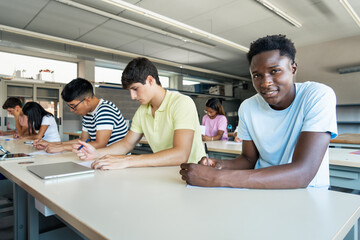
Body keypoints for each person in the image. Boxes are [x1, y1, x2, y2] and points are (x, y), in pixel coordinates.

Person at [180, 34, 337, 189]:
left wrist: (217, 178)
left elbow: (302, 173)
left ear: (293, 68)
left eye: (274, 71)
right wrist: (219, 165)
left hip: (308, 194)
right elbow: (248, 160)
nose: (266, 83)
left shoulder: (317, 95)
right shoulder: (248, 107)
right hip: (261, 189)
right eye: (257, 75)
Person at [74, 57, 205, 170]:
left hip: (194, 176)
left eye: (135, 89)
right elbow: (126, 144)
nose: (132, 96)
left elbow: (181, 154)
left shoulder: (181, 103)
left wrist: (127, 161)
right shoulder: (143, 111)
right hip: (164, 172)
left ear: (150, 80)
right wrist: (96, 153)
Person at [33, 78, 128, 152]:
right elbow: (83, 140)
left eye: (73, 106)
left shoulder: (105, 111)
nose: (71, 110)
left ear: (87, 100)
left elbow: (100, 144)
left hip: (115, 160)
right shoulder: (87, 114)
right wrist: (53, 144)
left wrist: (62, 148)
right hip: (100, 157)